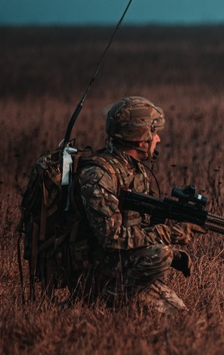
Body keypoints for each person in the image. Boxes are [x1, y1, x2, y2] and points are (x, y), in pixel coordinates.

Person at [72, 96, 200, 313]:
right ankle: (100, 303)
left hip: (117, 263)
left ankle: (122, 296)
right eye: (154, 133)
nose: (158, 139)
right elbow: (111, 239)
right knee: (160, 254)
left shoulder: (135, 170)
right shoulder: (98, 175)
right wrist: (168, 234)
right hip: (93, 268)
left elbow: (135, 229)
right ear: (141, 139)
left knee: (179, 314)